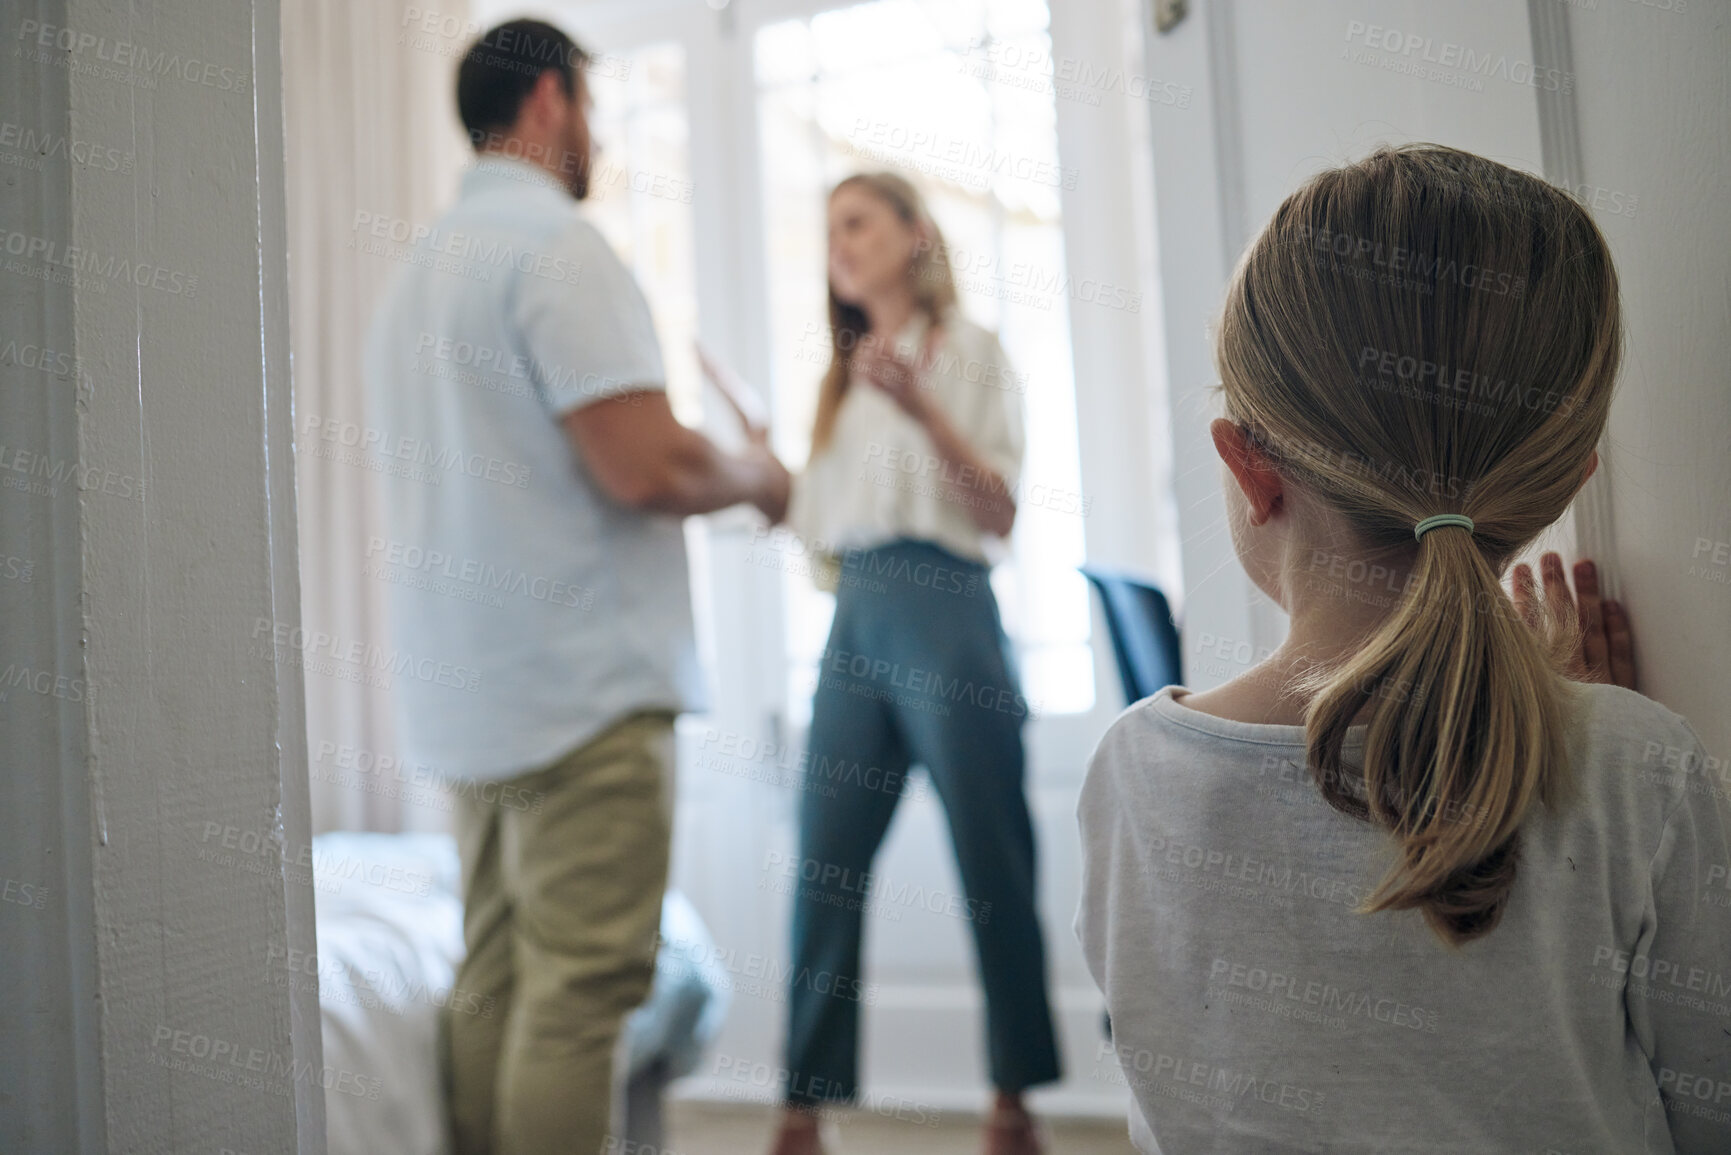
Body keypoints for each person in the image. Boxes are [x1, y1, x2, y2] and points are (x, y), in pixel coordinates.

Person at [1076, 144, 1731, 1153]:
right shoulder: (1638, 767)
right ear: (1563, 482)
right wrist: (1584, 745)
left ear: (1249, 470)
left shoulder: (1135, 772)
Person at [362, 20, 789, 1155]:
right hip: (579, 696)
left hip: (470, 699)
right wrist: (761, 474)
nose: (594, 136)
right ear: (551, 100)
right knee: (583, 991)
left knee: (495, 979)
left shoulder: (415, 277)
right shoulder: (556, 250)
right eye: (592, 108)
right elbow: (644, 463)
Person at [762, 173, 1060, 1155]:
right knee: (824, 858)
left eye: (855, 221)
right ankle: (802, 1106)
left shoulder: (970, 353)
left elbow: (1002, 513)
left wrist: (925, 408)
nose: (838, 243)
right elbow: (819, 531)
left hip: (948, 611)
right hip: (858, 618)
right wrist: (771, 475)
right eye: (828, 227)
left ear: (913, 235)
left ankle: (1011, 1099)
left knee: (991, 852)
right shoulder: (840, 381)